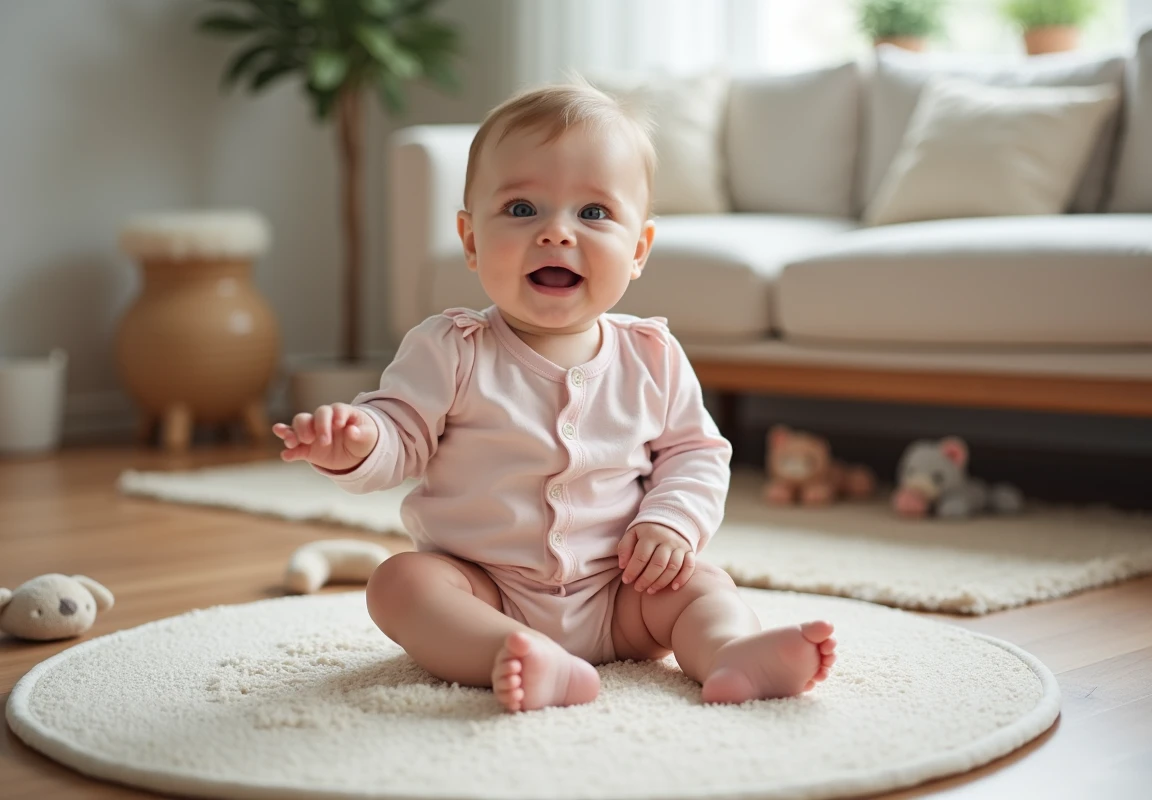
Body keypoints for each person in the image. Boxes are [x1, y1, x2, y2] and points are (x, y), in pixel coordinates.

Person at [273, 81, 837, 713]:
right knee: (399, 584)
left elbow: (696, 454)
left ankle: (731, 651)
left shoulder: (651, 356)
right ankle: (513, 655)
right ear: (470, 240)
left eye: (593, 214)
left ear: (639, 250)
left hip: (623, 592)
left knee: (702, 585)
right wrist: (357, 441)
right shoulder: (451, 347)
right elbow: (400, 435)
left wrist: (670, 523)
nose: (555, 233)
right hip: (486, 591)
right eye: (521, 210)